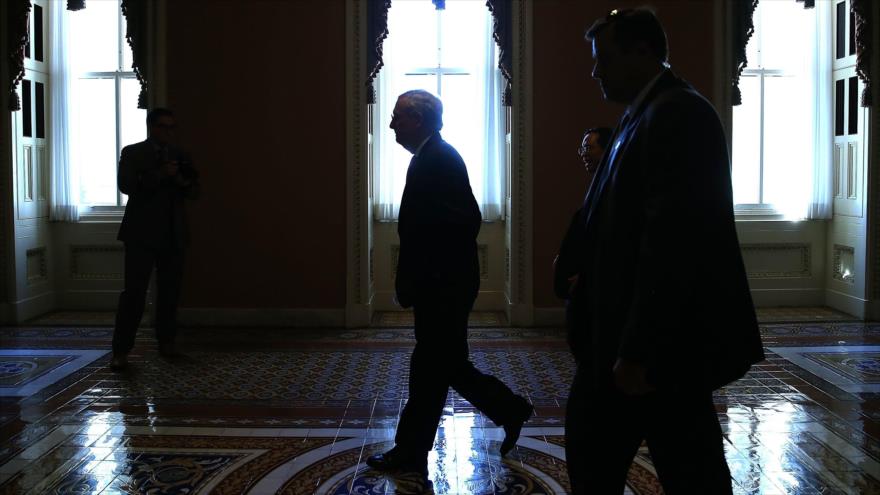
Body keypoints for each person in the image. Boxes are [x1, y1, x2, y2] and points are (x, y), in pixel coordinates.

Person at [564, 8, 765, 494]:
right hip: (636, 343)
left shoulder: (679, 114)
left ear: (643, 51)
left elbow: (672, 242)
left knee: (663, 464)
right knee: (681, 462)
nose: (595, 71)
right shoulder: (644, 114)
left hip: (654, 349)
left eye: (603, 59)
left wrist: (636, 350)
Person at [367, 90, 533, 484]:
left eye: (398, 118)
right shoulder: (431, 157)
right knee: (444, 367)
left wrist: (425, 279)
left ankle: (410, 450)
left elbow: (462, 223)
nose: (391, 125)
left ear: (420, 120)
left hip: (443, 288)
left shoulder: (438, 159)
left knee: (430, 367)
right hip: (442, 285)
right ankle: (509, 410)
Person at [110, 108, 200, 370]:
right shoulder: (133, 153)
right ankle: (121, 351)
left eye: (172, 127)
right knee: (134, 294)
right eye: (163, 126)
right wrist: (161, 174)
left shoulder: (181, 155)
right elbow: (127, 185)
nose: (168, 132)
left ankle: (167, 343)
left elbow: (194, 191)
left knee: (170, 292)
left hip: (173, 233)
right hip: (141, 233)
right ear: (151, 126)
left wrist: (182, 180)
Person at [554, 127, 612, 347]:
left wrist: (588, 274)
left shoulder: (611, 185)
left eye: (590, 147)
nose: (584, 153)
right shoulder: (599, 182)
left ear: (606, 150)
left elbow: (609, 240)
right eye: (582, 148)